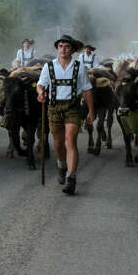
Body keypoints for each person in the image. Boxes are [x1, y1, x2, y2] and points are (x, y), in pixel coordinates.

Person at [36, 34, 94, 196]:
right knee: (58, 144)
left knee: (70, 141)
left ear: (72, 50)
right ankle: (62, 165)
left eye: (66, 46)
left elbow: (87, 89)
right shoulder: (49, 66)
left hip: (72, 108)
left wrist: (91, 111)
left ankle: (71, 178)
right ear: (57, 48)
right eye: (60, 46)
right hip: (54, 108)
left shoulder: (78, 66)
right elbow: (41, 84)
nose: (63, 49)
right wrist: (40, 93)